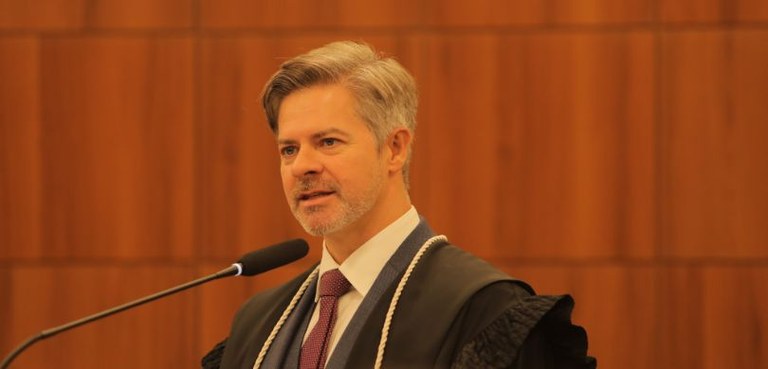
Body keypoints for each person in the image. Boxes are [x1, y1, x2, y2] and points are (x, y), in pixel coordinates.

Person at [202, 41, 596, 369]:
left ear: (394, 148)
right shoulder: (258, 324)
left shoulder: (482, 310)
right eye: (289, 149)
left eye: (328, 142)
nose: (302, 166)